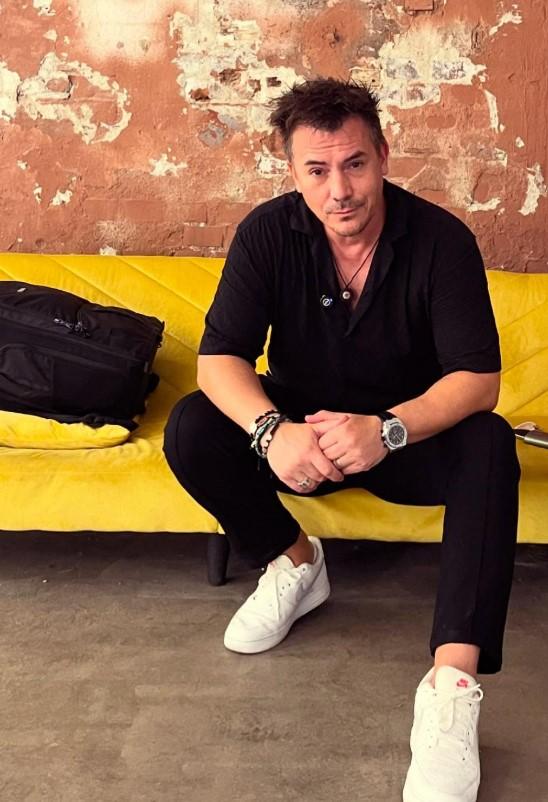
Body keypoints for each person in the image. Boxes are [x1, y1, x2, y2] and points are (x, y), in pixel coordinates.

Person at [163, 78, 520, 802]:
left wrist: (388, 429)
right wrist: (272, 432)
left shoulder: (442, 240)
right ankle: (296, 563)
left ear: (384, 155)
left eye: (355, 164)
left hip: (403, 434)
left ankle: (450, 687)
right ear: (292, 170)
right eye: (317, 170)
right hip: (302, 434)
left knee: (489, 444)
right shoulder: (267, 234)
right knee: (194, 424)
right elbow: (220, 358)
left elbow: (477, 380)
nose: (340, 190)